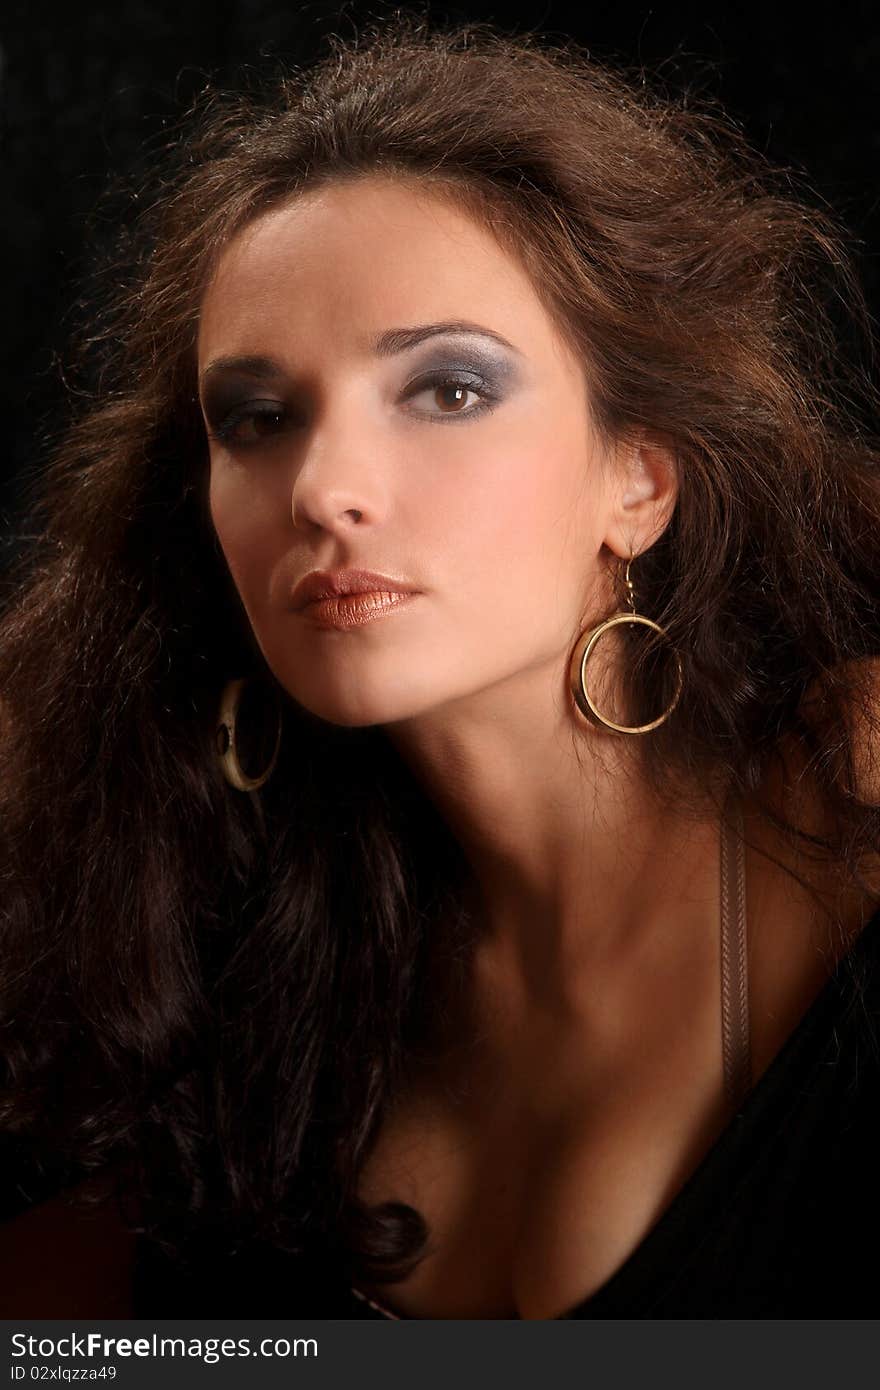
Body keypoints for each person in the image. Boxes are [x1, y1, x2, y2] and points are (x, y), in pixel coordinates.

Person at [1, 14, 880, 1320]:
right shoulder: (217, 935)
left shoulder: (855, 835)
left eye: (448, 390)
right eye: (258, 417)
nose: (325, 488)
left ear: (638, 479)